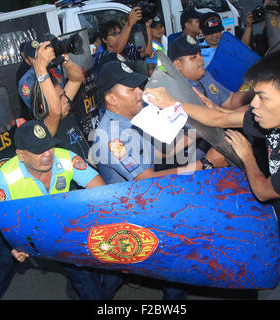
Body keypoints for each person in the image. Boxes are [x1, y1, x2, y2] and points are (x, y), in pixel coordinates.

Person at [144, 46, 280, 300]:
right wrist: (174, 103)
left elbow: (264, 191)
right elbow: (219, 120)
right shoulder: (276, 121)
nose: (253, 104)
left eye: (262, 97)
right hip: (276, 247)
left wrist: (247, 157)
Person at [91, 61, 227, 299]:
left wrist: (202, 128)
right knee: (173, 259)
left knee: (124, 268)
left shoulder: (129, 121)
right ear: (111, 99)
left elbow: (161, 153)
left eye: (138, 86)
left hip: (145, 199)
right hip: (132, 211)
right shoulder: (112, 137)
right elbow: (148, 178)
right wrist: (204, 165)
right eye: (130, 88)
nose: (139, 92)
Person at [0, 120, 123, 300]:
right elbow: (2, 219)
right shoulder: (4, 180)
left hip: (58, 225)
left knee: (85, 278)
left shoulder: (66, 158)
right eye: (38, 150)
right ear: (21, 154)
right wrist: (15, 244)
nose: (47, 154)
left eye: (49, 147)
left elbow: (101, 192)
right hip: (18, 228)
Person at [168, 34, 253, 110]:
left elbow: (230, 101)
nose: (201, 58)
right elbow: (211, 119)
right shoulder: (178, 91)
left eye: (200, 54)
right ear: (177, 65)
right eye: (194, 57)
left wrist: (256, 91)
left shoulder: (205, 77)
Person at [93, 6, 153, 76]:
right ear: (104, 39)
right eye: (114, 34)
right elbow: (115, 52)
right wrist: (129, 24)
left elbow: (147, 52)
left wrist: (147, 26)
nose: (118, 36)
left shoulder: (126, 51)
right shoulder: (100, 56)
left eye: (119, 33)